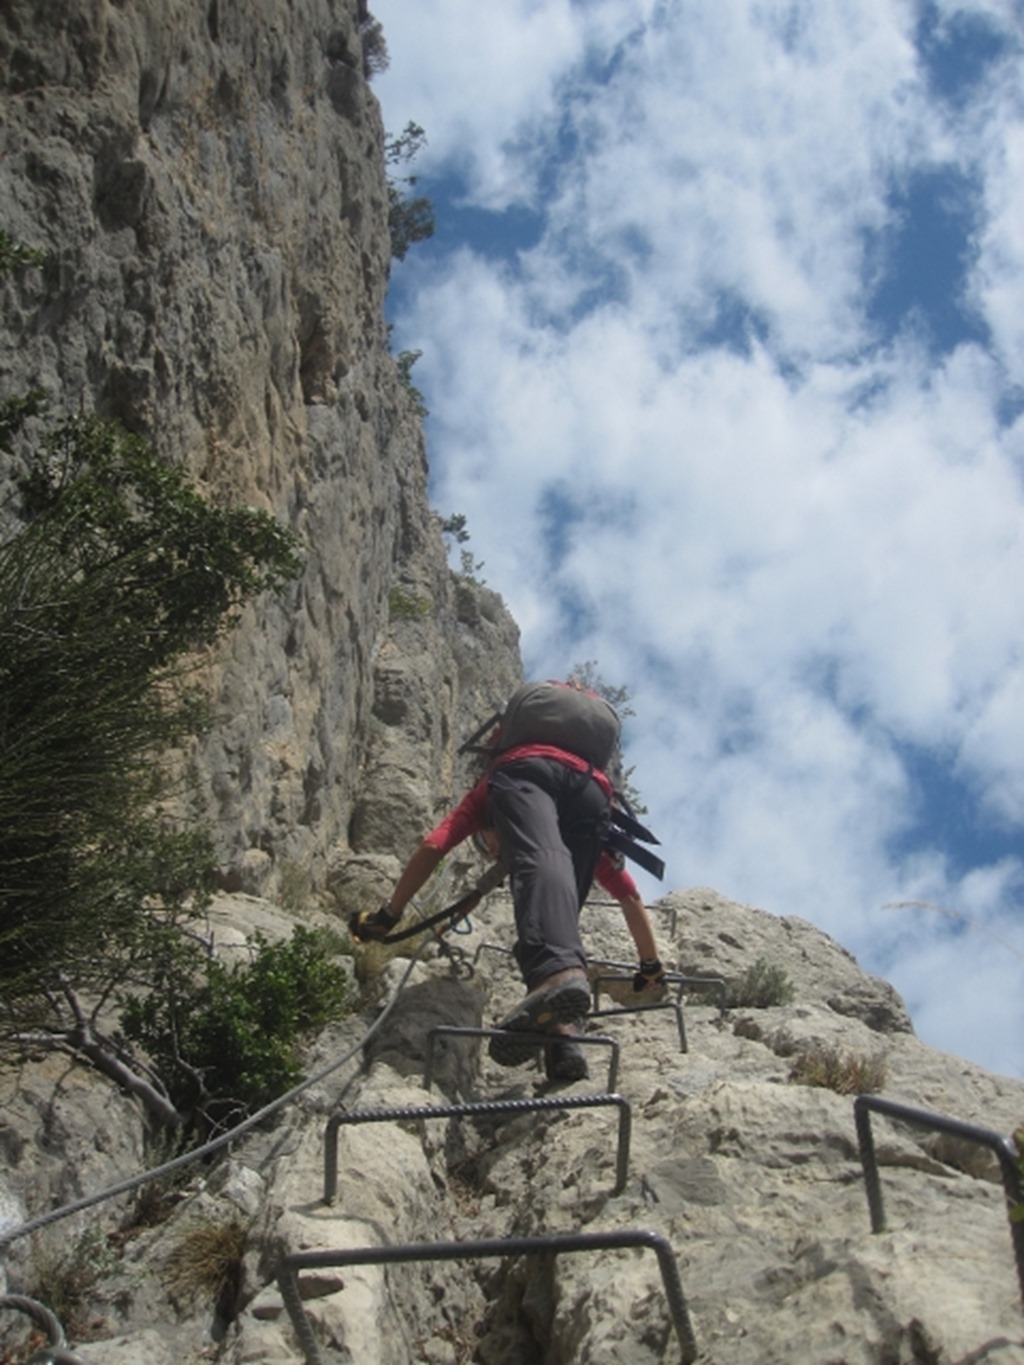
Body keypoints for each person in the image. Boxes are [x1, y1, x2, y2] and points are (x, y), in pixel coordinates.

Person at [354, 729, 666, 1083]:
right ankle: (563, 1040)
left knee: (539, 900)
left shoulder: (491, 792)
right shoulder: (561, 798)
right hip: (592, 793)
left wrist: (388, 915)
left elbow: (432, 846)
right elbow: (629, 896)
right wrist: (650, 964)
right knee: (557, 912)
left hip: (525, 775)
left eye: (486, 847)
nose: (494, 854)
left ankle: (560, 980)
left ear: (487, 832)